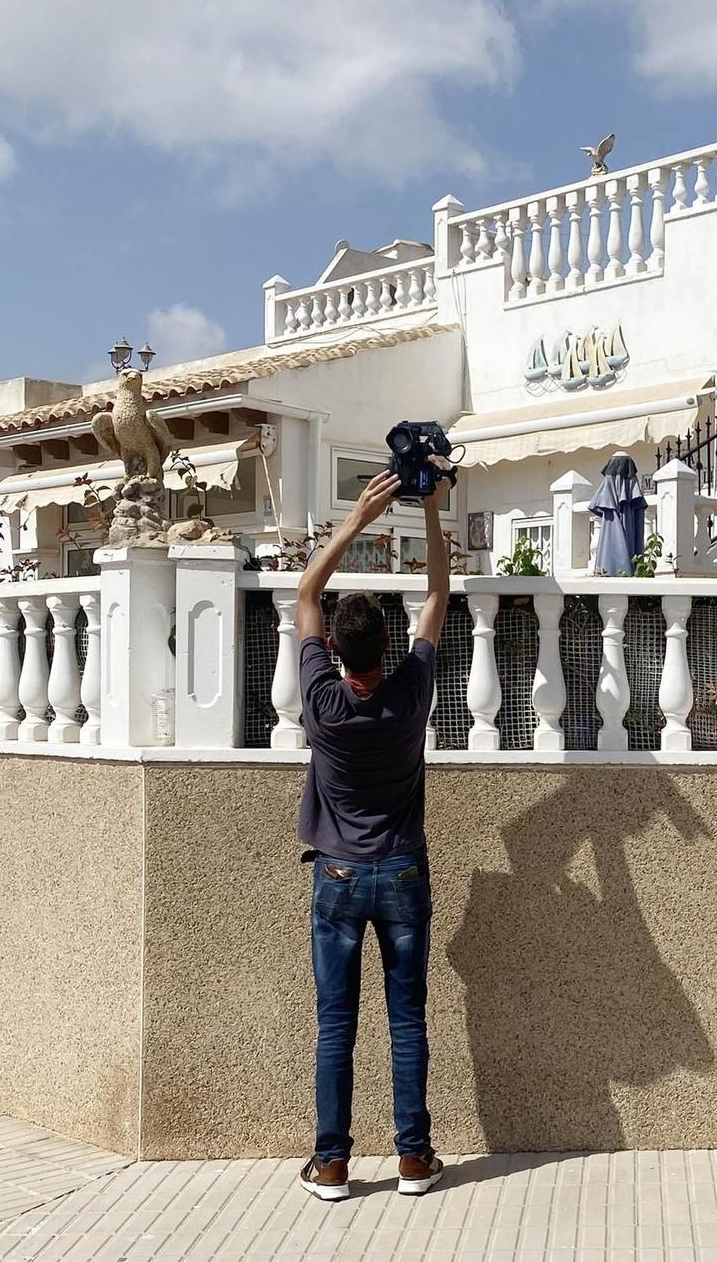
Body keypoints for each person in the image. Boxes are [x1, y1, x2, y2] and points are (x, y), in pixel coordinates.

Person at [294, 469, 451, 1202]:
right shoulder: (410, 694)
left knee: (336, 1026)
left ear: (337, 650)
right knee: (407, 1019)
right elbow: (438, 597)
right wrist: (428, 508)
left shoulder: (323, 701)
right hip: (403, 875)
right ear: (386, 647)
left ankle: (331, 1165)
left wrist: (355, 519)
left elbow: (304, 594)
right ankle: (412, 1159)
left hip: (337, 876)